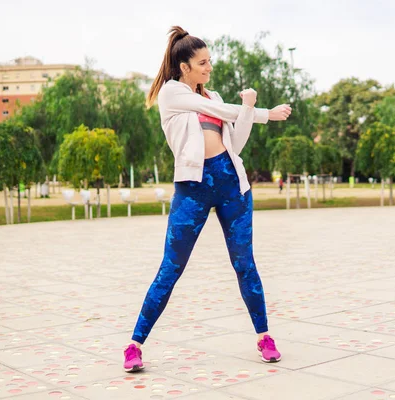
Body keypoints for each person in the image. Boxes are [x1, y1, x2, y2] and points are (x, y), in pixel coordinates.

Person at [123, 26, 292, 372]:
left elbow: (238, 139)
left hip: (232, 185)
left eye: (209, 61)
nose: (209, 68)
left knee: (245, 265)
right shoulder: (173, 94)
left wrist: (249, 110)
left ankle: (264, 336)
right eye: (203, 62)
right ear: (184, 66)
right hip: (193, 189)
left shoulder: (213, 99)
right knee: (171, 268)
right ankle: (134, 344)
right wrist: (262, 113)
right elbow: (231, 112)